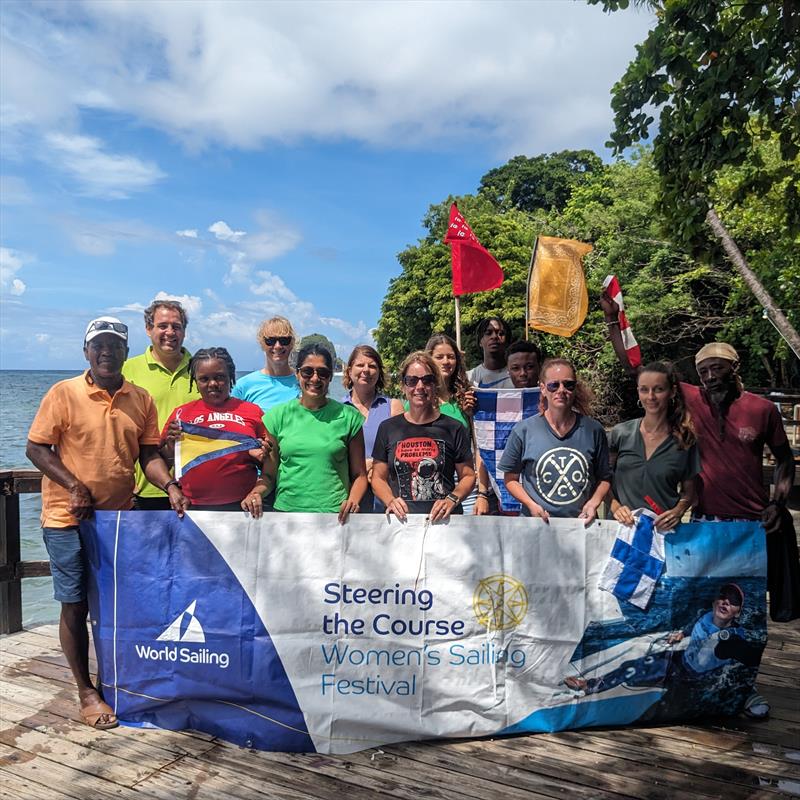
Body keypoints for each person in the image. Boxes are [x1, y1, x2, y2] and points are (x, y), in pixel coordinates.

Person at [26, 316, 188, 731]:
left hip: (119, 521)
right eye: (98, 345)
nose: (106, 352)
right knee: (75, 603)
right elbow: (36, 448)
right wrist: (74, 485)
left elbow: (148, 456)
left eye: (114, 346)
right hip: (67, 517)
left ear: (124, 352)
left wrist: (169, 485)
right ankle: (85, 690)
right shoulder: (63, 393)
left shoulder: (140, 399)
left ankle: (115, 680)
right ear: (86, 351)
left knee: (118, 605)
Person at [600, 295, 795, 534]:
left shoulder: (761, 409)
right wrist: (611, 318)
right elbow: (637, 369)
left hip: (754, 518)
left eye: (718, 368)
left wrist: (778, 503)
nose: (711, 377)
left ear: (735, 367)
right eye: (703, 371)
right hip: (704, 518)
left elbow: (785, 458)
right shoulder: (693, 399)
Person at [563, 583, 762, 717]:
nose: (726, 601)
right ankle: (590, 685)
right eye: (723, 596)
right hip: (680, 659)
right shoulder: (707, 615)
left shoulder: (730, 641)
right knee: (631, 667)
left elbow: (750, 657)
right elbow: (694, 625)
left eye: (733, 600)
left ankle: (750, 695)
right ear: (714, 602)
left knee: (664, 709)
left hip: (694, 679)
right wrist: (682, 635)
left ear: (738, 612)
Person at [263, 343, 367, 522]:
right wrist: (256, 493)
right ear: (297, 374)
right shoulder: (277, 417)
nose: (315, 378)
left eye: (323, 373)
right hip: (286, 516)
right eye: (307, 372)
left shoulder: (349, 417)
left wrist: (353, 501)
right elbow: (269, 475)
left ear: (330, 377)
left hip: (335, 517)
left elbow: (360, 475)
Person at [499, 358, 611, 524]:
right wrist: (531, 504)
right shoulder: (523, 430)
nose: (561, 390)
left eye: (568, 385)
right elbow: (510, 479)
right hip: (538, 526)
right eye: (554, 385)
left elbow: (605, 478)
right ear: (543, 388)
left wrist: (593, 503)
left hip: (582, 526)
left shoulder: (594, 430)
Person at [160, 348, 271, 514]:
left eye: (219, 377)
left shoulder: (252, 412)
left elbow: (270, 464)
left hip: (242, 507)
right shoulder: (181, 414)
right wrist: (170, 445)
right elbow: (165, 462)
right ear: (195, 382)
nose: (212, 384)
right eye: (204, 379)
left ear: (230, 378)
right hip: (191, 506)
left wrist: (262, 455)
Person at [371, 351, 475, 521]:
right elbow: (377, 478)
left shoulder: (454, 428)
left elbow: (468, 476)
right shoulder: (388, 428)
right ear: (403, 386)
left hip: (445, 522)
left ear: (436, 385)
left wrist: (452, 499)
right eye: (412, 381)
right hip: (402, 523)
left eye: (427, 380)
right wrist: (390, 500)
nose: (419, 386)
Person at [122, 299, 199, 510]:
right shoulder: (127, 370)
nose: (170, 332)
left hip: (195, 486)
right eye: (162, 326)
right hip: (143, 487)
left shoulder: (201, 369)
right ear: (148, 329)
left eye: (176, 326)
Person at [608, 362, 700, 532]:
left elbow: (689, 492)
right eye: (644, 389)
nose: (651, 397)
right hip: (620, 531)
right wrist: (615, 506)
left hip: (661, 535)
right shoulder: (620, 434)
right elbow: (603, 479)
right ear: (638, 392)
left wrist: (677, 512)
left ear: (672, 392)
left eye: (658, 389)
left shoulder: (684, 440)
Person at [342, 345, 404, 511]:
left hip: (386, 497)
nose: (366, 370)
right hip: (348, 497)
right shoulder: (338, 410)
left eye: (372, 366)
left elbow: (402, 452)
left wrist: (375, 466)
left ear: (379, 372)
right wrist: (362, 466)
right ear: (349, 371)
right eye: (360, 365)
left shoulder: (393, 407)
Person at [232, 316, 299, 413]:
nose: (278, 346)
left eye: (284, 340)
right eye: (270, 341)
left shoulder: (304, 382)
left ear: (292, 343)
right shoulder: (243, 386)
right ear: (262, 343)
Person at [426, 333, 476, 425]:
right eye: (439, 357)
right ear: (429, 360)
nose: (446, 361)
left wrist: (470, 415)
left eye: (451, 357)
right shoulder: (420, 400)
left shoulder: (465, 398)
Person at [467, 316, 515, 389]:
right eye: (488, 333)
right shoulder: (469, 378)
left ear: (507, 341)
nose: (494, 336)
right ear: (480, 341)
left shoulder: (518, 377)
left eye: (501, 333)